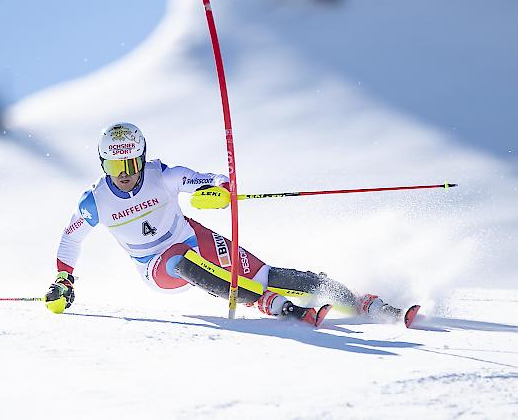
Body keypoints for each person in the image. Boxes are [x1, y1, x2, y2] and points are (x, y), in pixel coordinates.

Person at [45, 122, 417, 326]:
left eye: (130, 164)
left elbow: (206, 180)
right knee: (177, 258)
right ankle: (268, 305)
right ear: (102, 165)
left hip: (195, 238)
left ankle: (362, 302)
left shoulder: (163, 175)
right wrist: (64, 280)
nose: (124, 175)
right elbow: (70, 238)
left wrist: (218, 189)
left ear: (142, 159)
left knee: (265, 272)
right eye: (114, 167)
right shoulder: (96, 201)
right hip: (157, 268)